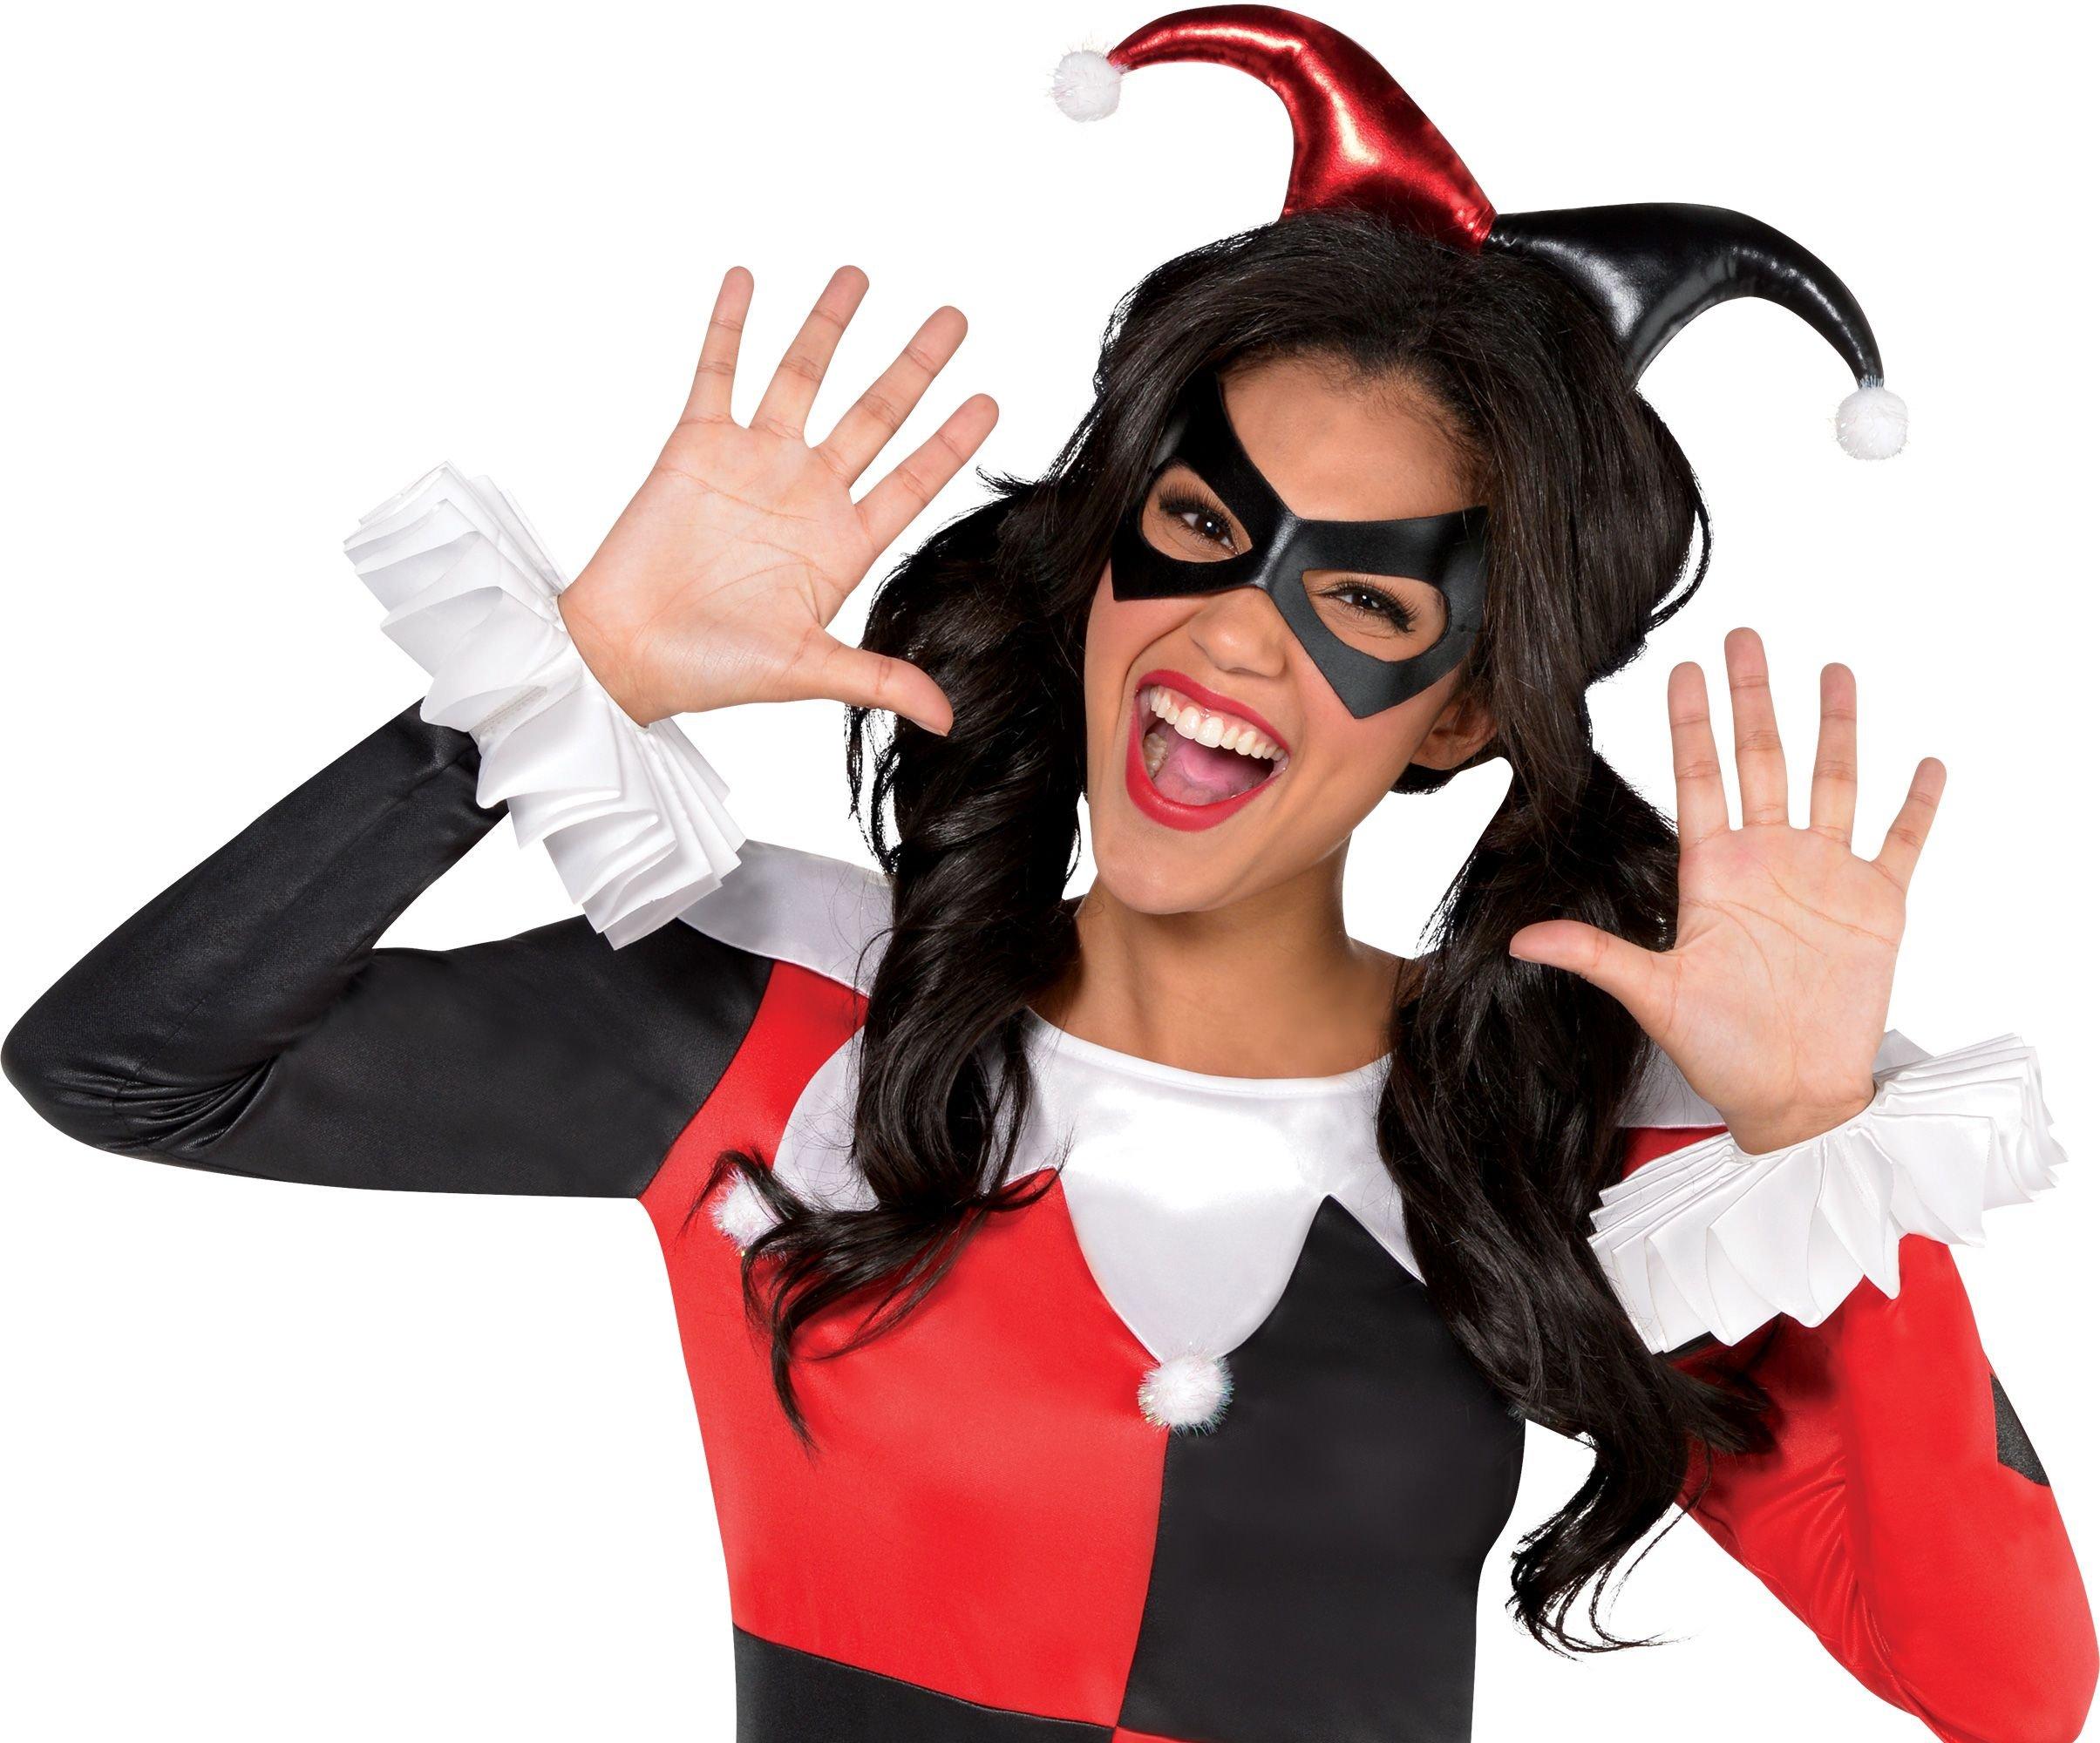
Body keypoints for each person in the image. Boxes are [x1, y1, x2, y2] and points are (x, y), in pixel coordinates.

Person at [4, 9, 2093, 1741]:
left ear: (1460, 715)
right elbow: (129, 1069)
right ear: (1099, 560)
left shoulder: (1549, 1133)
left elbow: (2006, 1690)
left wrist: (1812, 1131)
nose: (1234, 634)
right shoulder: (791, 1017)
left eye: (1365, 601)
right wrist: (555, 691)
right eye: (1196, 526)